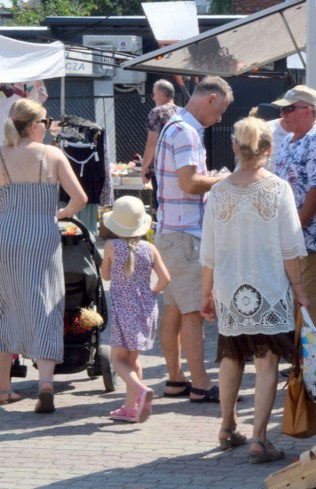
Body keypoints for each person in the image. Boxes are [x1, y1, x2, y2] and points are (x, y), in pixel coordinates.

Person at [200, 117, 308, 463]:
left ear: (235, 147)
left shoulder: (218, 191)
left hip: (230, 288)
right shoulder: (278, 189)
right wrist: (300, 290)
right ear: (269, 150)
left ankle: (227, 426)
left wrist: (206, 293)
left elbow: (209, 251)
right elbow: (291, 248)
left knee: (231, 357)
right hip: (269, 286)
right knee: (266, 361)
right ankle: (260, 438)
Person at [0, 99, 88, 411]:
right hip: (42, 234)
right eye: (45, 122)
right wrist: (60, 215)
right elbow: (80, 198)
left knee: (7, 306)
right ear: (34, 125)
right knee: (47, 303)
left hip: (6, 234)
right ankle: (46, 383)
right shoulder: (51, 154)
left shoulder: (2, 154)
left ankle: (4, 387)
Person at [155, 76, 233, 403]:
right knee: (192, 312)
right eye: (222, 110)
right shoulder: (186, 131)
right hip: (185, 234)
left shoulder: (173, 126)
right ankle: (201, 384)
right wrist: (222, 181)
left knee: (173, 310)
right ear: (211, 98)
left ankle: (175, 378)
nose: (220, 119)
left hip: (169, 232)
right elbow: (188, 183)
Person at [101, 196, 171, 423]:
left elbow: (105, 276)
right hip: (146, 307)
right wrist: (153, 293)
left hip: (123, 308)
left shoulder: (112, 246)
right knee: (134, 360)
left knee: (118, 359)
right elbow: (165, 278)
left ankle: (139, 389)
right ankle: (131, 407)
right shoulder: (150, 248)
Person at [273, 85, 316, 340]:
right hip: (292, 239)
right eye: (282, 110)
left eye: (288, 109)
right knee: (298, 299)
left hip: (312, 239)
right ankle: (303, 363)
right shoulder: (288, 140)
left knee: (313, 301)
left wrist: (296, 228)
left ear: (308, 111)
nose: (283, 115)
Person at [140, 79, 180, 212]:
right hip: (181, 167)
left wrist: (144, 167)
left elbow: (152, 143)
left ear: (162, 95)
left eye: (154, 94)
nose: (153, 97)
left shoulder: (157, 112)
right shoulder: (183, 113)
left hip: (162, 169)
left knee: (162, 208)